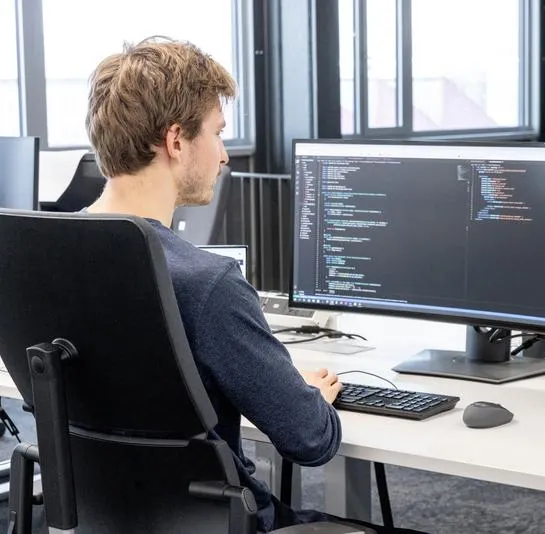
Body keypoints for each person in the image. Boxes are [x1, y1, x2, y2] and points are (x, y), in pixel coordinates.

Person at [83, 37, 426, 534]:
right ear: (176, 140)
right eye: (218, 134)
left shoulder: (38, 255)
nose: (224, 156)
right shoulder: (207, 284)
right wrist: (298, 391)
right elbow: (310, 440)